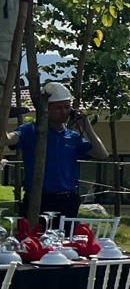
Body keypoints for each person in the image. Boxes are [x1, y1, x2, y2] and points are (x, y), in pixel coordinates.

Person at [7, 81, 109, 218]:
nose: (64, 112)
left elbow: (102, 154)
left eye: (67, 107)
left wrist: (87, 126)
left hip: (67, 201)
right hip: (38, 200)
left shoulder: (73, 137)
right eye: (59, 108)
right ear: (46, 109)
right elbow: (8, 140)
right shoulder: (30, 130)